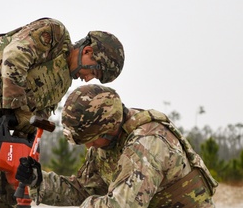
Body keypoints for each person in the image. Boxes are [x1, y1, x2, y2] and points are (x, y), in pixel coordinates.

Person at [0, 18, 125, 208]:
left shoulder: (62, 83)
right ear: (87, 51)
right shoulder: (54, 35)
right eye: (94, 72)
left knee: (2, 197)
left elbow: (34, 119)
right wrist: (18, 109)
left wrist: (28, 146)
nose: (88, 79)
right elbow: (14, 57)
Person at [16, 84, 219, 207]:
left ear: (108, 129)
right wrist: (39, 181)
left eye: (91, 140)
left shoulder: (148, 144)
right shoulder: (105, 142)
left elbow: (123, 205)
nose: (89, 147)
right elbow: (85, 190)